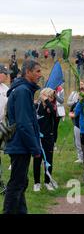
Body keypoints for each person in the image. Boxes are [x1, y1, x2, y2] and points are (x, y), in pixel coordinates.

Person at [3, 60, 42, 214]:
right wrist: (35, 148)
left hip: (20, 143)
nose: (40, 75)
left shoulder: (23, 90)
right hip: (20, 143)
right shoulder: (23, 91)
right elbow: (24, 123)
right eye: (37, 71)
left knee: (21, 181)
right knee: (16, 183)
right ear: (28, 72)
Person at [33, 88, 57, 192]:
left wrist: (47, 101)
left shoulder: (51, 106)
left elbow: (52, 110)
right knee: (37, 160)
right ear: (43, 95)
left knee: (48, 160)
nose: (51, 99)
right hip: (37, 137)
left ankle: (47, 182)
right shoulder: (36, 106)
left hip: (49, 137)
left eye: (52, 97)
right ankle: (37, 183)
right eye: (49, 96)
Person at [68, 82, 84, 163]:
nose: (81, 96)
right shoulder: (75, 104)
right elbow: (71, 112)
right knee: (78, 142)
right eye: (80, 94)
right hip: (77, 125)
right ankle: (80, 157)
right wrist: (72, 114)